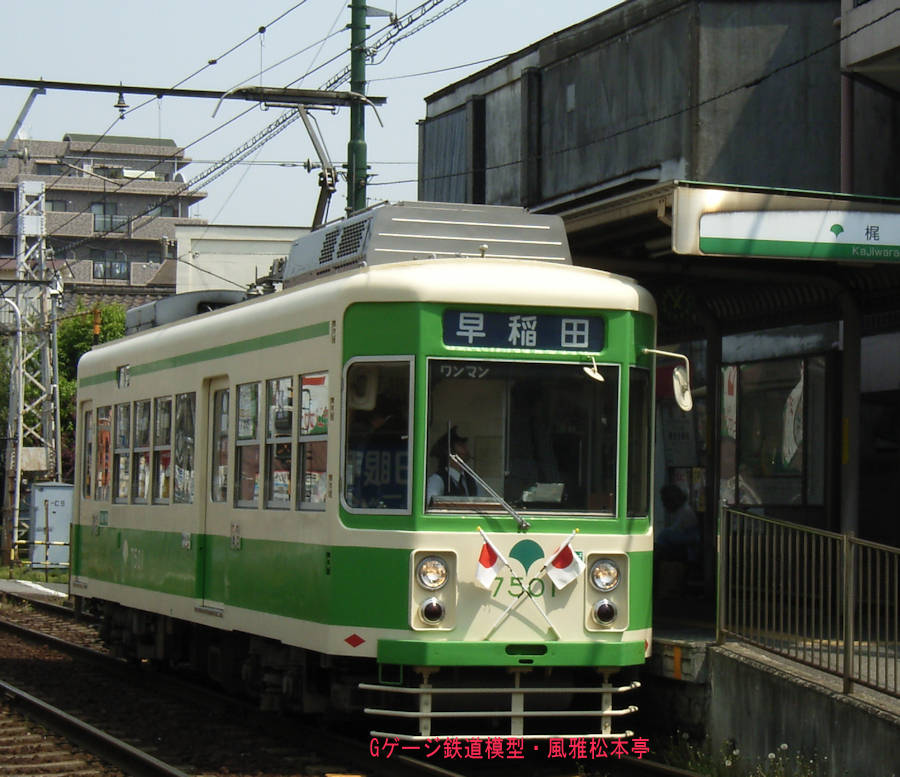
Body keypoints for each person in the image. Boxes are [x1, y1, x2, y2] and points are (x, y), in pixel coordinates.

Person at [427, 426, 478, 503]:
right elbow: (431, 506)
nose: (466, 449)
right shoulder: (438, 480)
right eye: (461, 445)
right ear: (450, 452)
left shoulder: (471, 480)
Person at [656, 484, 701, 563]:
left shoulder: (686, 513)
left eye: (665, 501)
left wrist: (669, 536)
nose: (664, 505)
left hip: (687, 557)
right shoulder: (679, 512)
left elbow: (694, 538)